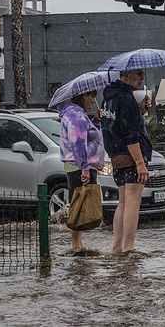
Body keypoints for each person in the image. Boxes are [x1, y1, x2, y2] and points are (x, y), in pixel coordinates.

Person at [100, 69, 153, 254]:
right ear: (126, 76)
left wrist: (140, 111)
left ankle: (116, 246)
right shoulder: (126, 97)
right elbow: (131, 134)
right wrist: (140, 163)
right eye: (138, 74)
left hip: (116, 156)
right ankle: (128, 247)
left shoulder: (108, 97)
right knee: (133, 201)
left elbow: (116, 123)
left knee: (122, 202)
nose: (141, 78)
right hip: (131, 155)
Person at [59, 90, 105, 250]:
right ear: (83, 96)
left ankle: (78, 243)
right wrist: (84, 168)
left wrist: (96, 121)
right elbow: (78, 143)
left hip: (80, 164)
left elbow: (88, 136)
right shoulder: (75, 116)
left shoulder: (78, 115)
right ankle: (76, 244)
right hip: (79, 165)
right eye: (92, 96)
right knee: (78, 202)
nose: (94, 100)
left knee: (79, 200)